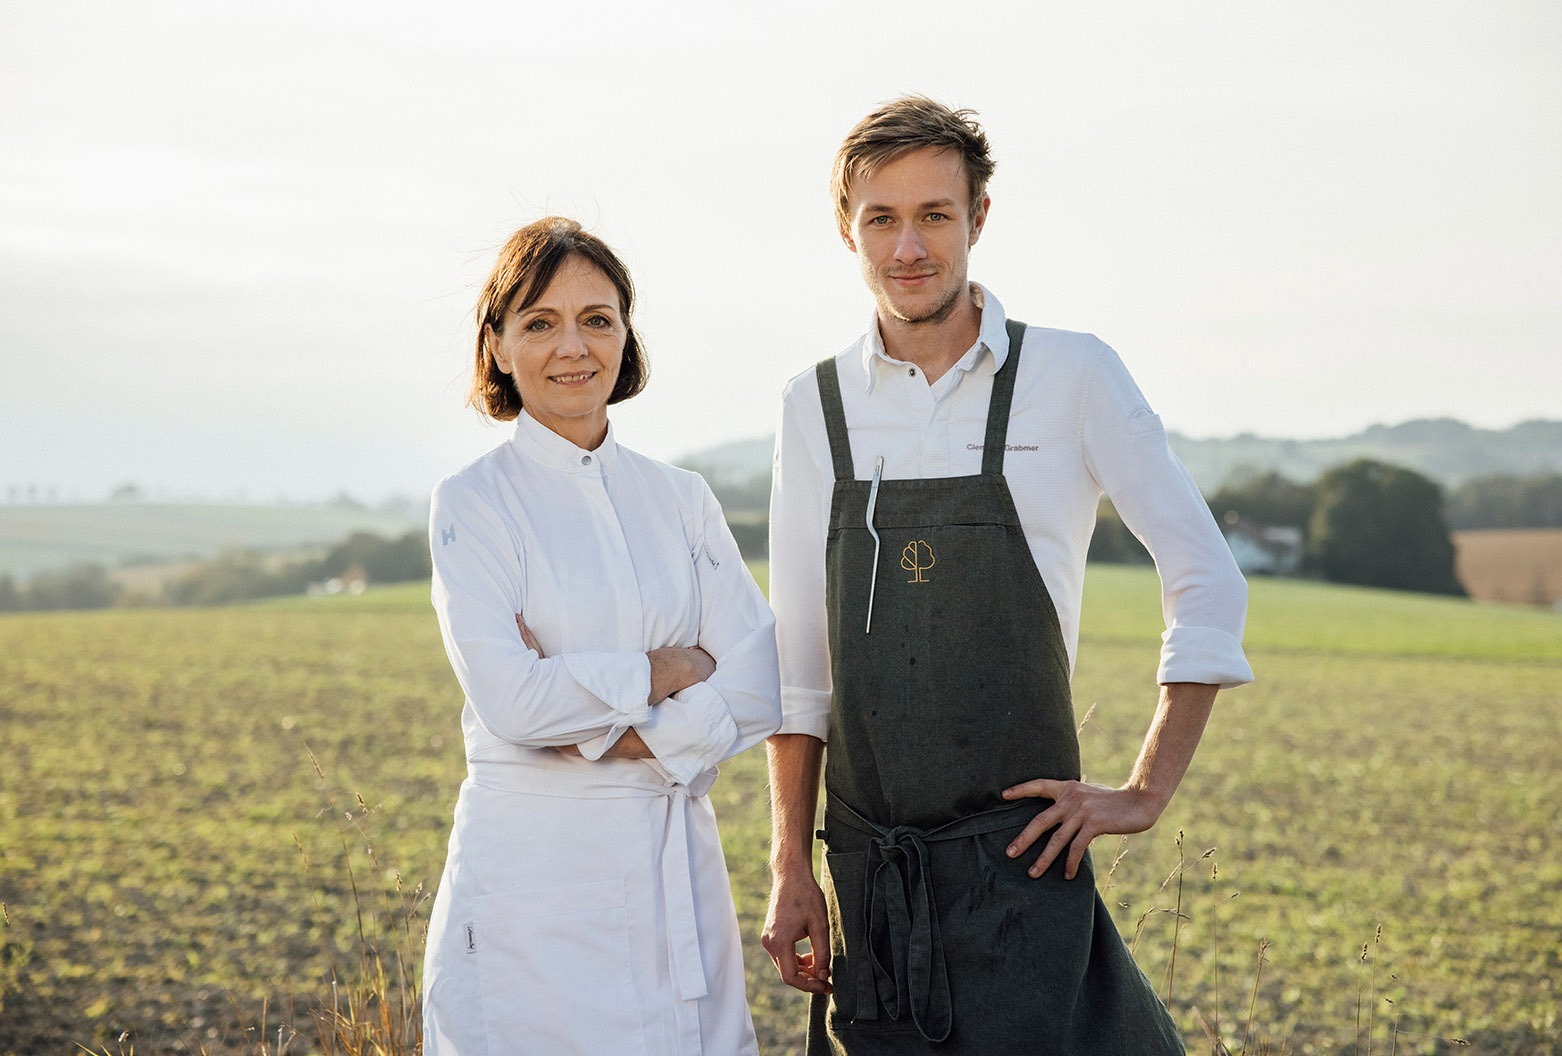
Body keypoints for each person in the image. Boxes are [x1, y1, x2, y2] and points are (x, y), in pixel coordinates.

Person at [760, 97, 1254, 1054]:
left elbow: (1206, 575)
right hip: (875, 880)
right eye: (881, 218)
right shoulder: (810, 405)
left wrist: (1143, 792)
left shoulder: (1072, 376)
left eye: (934, 215)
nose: (908, 246)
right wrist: (790, 863)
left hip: (1026, 870)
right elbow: (799, 662)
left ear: (978, 219)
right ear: (846, 228)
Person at [422, 217, 779, 1056]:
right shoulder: (474, 504)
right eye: (539, 322)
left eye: (598, 318)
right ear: (499, 347)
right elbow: (512, 702)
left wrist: (610, 729)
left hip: (672, 885)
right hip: (531, 892)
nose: (573, 346)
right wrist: (672, 668)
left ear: (626, 334)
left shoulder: (682, 498)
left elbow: (761, 679)